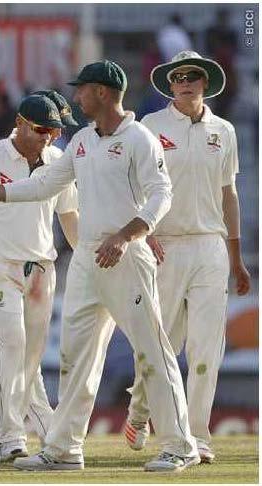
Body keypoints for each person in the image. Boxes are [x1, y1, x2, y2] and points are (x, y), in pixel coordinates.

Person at [0, 60, 201, 472]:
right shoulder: (82, 141)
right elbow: (43, 185)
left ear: (101, 92)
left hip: (125, 256)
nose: (76, 97)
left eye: (82, 89)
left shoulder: (139, 138)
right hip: (86, 258)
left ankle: (180, 445)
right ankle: (64, 448)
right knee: (75, 357)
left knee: (151, 348)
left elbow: (161, 194)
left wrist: (127, 236)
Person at [124, 51, 251, 464]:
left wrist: (236, 257)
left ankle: (196, 434)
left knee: (205, 347)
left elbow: (229, 194)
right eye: (178, 77)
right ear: (170, 84)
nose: (185, 82)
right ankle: (140, 409)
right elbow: (134, 186)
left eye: (192, 76)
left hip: (210, 245)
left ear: (205, 82)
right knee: (161, 341)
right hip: (164, 245)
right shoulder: (150, 126)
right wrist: (145, 232)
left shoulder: (224, 131)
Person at [0, 93, 79, 462]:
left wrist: (87, 257)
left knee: (25, 353)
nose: (48, 138)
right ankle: (9, 435)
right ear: (20, 123)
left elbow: (69, 214)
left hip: (42, 267)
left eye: (53, 131)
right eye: (40, 130)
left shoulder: (57, 161)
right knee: (13, 344)